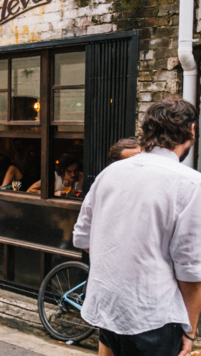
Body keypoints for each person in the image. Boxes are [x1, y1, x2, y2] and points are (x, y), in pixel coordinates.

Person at [73, 96, 201, 356]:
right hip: (153, 316)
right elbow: (190, 269)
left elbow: (82, 238)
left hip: (109, 307)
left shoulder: (109, 174)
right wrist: (190, 330)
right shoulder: (191, 184)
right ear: (191, 131)